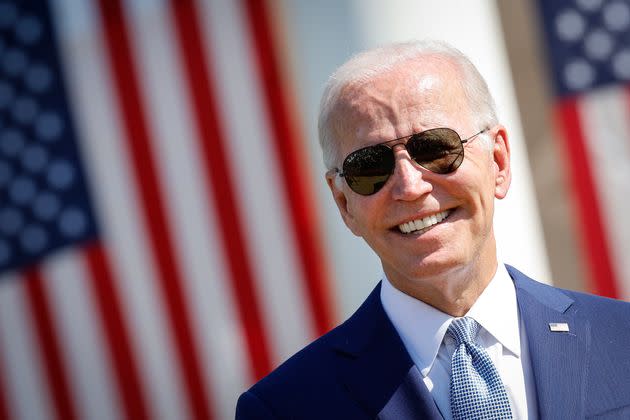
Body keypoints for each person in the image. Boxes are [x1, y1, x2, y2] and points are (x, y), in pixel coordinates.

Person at [235, 40, 630, 419]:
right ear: (344, 204)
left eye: (436, 149)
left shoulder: (622, 340)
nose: (409, 186)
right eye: (370, 166)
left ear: (498, 160)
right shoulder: (285, 408)